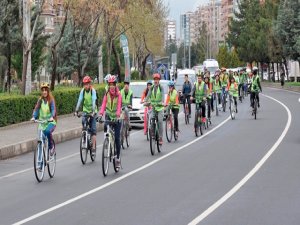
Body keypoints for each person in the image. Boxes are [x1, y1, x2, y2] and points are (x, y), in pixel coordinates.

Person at [98, 75, 122, 168]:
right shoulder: (106, 94)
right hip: (108, 115)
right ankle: (107, 142)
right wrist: (100, 114)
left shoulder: (119, 94)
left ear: (115, 85)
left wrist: (118, 115)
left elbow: (119, 105)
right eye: (110, 84)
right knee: (106, 127)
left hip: (117, 118)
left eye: (113, 84)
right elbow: (103, 104)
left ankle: (118, 158)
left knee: (117, 138)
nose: (111, 86)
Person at [31, 82, 57, 156]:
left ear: (48, 91)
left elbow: (53, 110)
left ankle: (51, 147)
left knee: (48, 131)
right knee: (40, 141)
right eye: (43, 90)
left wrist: (52, 117)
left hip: (51, 122)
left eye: (46, 90)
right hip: (42, 123)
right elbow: (36, 109)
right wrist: (34, 117)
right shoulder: (40, 100)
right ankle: (40, 163)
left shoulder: (51, 100)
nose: (44, 92)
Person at [75, 75, 98, 156]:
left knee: (93, 130)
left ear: (90, 84)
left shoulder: (93, 91)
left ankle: (94, 147)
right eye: (84, 84)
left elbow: (93, 101)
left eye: (87, 84)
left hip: (93, 111)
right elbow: (80, 100)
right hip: (85, 111)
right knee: (84, 123)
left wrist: (93, 111)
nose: (86, 86)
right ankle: (85, 137)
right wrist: (76, 110)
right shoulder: (83, 91)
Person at [145, 73, 165, 145]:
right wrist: (145, 101)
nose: (156, 81)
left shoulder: (161, 87)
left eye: (157, 79)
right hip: (153, 107)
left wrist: (162, 102)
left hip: (160, 108)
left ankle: (160, 137)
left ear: (159, 80)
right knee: (151, 118)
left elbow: (163, 95)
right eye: (155, 79)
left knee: (160, 121)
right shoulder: (151, 88)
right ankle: (152, 133)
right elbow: (148, 95)